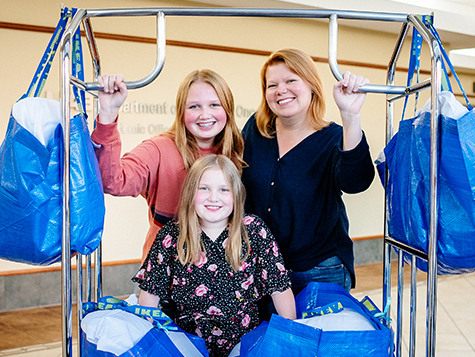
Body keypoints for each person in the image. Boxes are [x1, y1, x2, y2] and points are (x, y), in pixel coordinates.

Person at [241, 48, 375, 319]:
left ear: (311, 85)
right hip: (263, 269)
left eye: (291, 81)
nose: (281, 90)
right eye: (272, 85)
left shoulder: (333, 137)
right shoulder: (256, 131)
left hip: (319, 268)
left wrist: (351, 116)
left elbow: (356, 182)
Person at [132, 154, 296, 357]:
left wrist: (290, 338)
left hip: (245, 346)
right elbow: (150, 294)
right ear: (191, 192)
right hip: (188, 346)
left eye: (223, 189)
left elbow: (279, 288)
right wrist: (151, 342)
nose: (213, 197)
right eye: (204, 188)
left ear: (236, 195)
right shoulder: (172, 235)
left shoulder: (254, 231)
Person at [91, 69, 245, 262]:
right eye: (194, 107)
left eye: (214, 104)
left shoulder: (238, 152)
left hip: (223, 273)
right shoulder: (159, 149)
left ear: (227, 108)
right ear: (181, 111)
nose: (205, 114)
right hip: (166, 273)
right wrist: (108, 114)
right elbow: (112, 181)